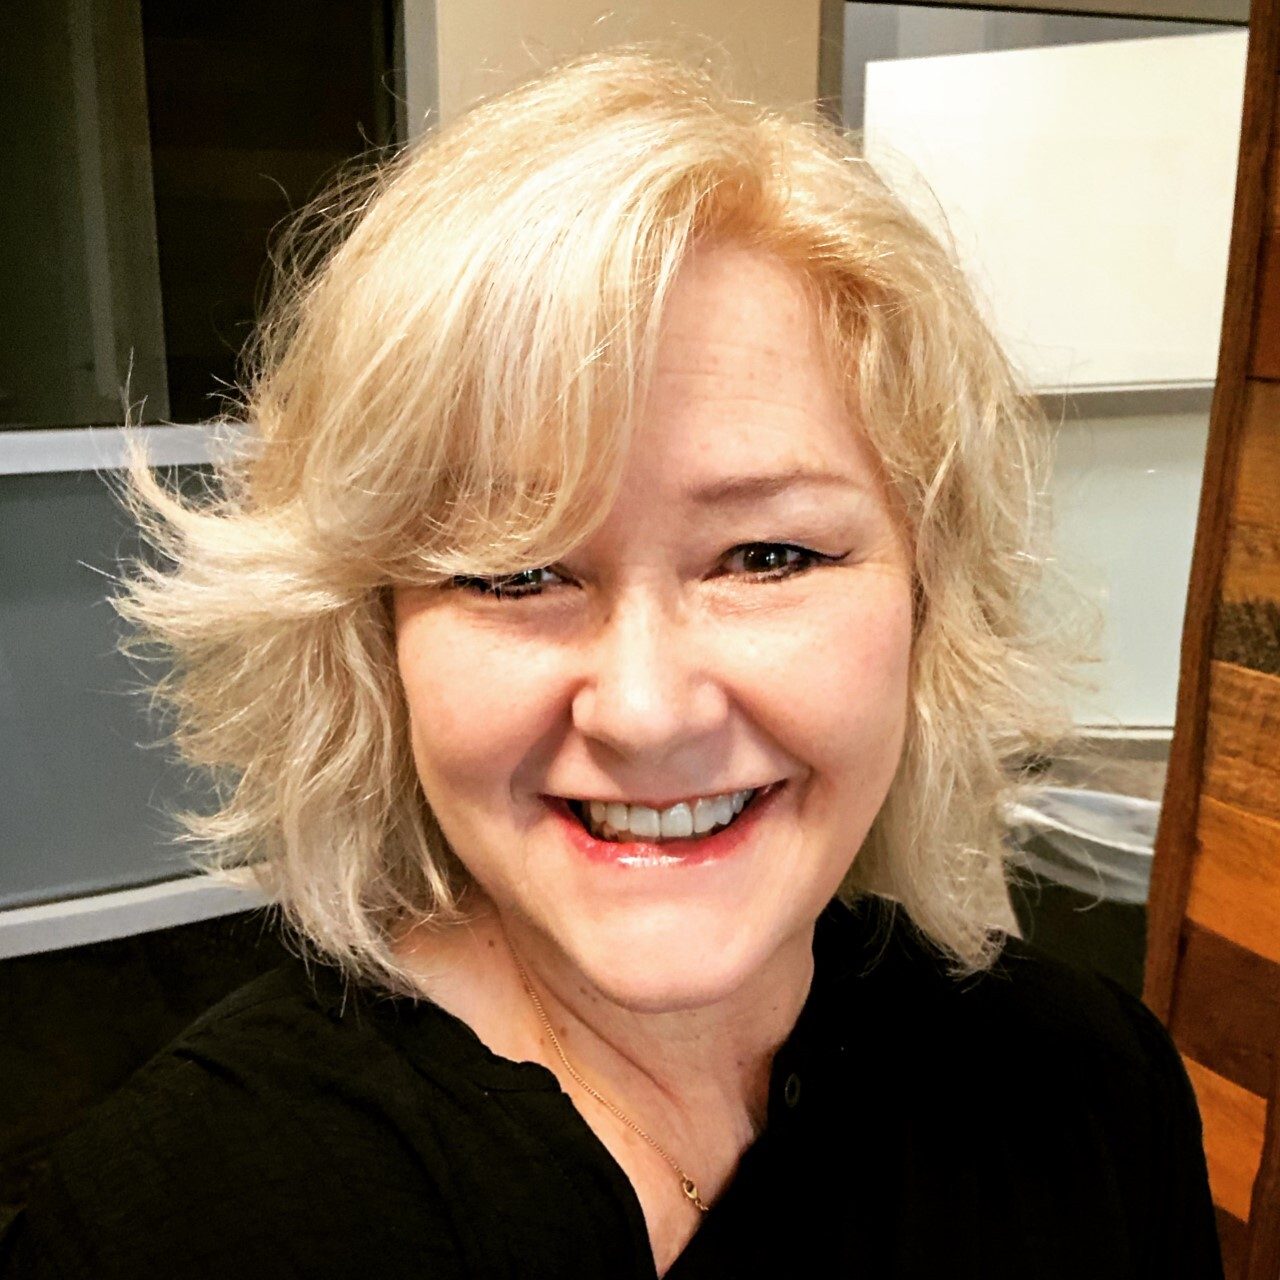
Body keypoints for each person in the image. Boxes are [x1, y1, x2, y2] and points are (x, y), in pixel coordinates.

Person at [0, 49, 1221, 1279]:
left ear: (926, 597)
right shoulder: (176, 1229)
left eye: (766, 553)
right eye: (516, 571)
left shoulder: (1088, 1093)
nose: (644, 712)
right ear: (376, 642)